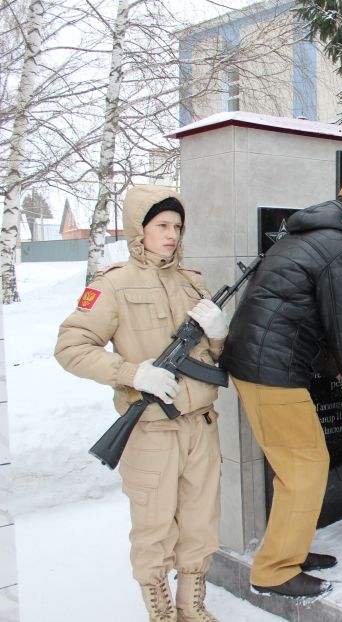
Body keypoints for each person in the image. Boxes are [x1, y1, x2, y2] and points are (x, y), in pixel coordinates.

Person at [55, 186, 228, 622]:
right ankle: (162, 611)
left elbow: (216, 358)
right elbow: (71, 347)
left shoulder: (193, 282)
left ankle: (193, 605)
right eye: (162, 226)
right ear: (140, 230)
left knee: (200, 522)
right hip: (151, 427)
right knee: (153, 527)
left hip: (201, 425)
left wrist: (220, 333)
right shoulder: (113, 284)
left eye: (177, 227)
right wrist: (132, 374)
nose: (172, 235)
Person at [219, 178, 342, 597]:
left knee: (295, 466)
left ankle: (289, 549)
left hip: (260, 362)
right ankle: (275, 571)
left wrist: (332, 370)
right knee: (306, 466)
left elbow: (301, 312)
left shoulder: (306, 235)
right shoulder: (340, 248)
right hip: (271, 369)